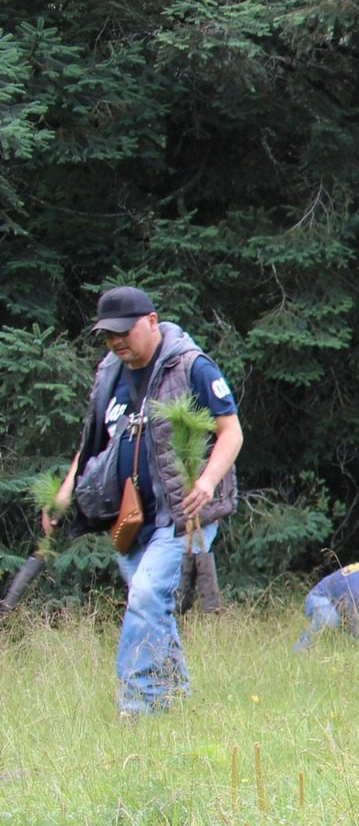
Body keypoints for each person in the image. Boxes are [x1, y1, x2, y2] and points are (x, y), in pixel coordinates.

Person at [44, 286, 244, 718]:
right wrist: (65, 492)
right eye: (108, 335)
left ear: (151, 321)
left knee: (146, 598)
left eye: (124, 332)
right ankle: (177, 699)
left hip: (183, 515)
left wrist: (208, 482)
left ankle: (137, 705)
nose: (116, 342)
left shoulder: (190, 365)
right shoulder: (109, 374)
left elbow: (231, 432)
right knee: (152, 607)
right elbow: (95, 442)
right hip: (131, 519)